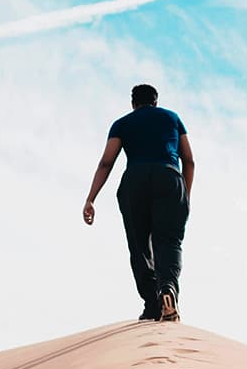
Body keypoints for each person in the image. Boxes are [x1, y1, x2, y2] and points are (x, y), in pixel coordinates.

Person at [82, 84, 194, 322]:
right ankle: (168, 289)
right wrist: (185, 194)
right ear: (156, 101)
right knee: (169, 241)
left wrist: (91, 198)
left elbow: (106, 162)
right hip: (169, 177)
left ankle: (153, 304)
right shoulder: (173, 118)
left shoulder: (122, 123)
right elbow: (189, 160)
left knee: (139, 245)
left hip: (135, 181)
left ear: (133, 104)